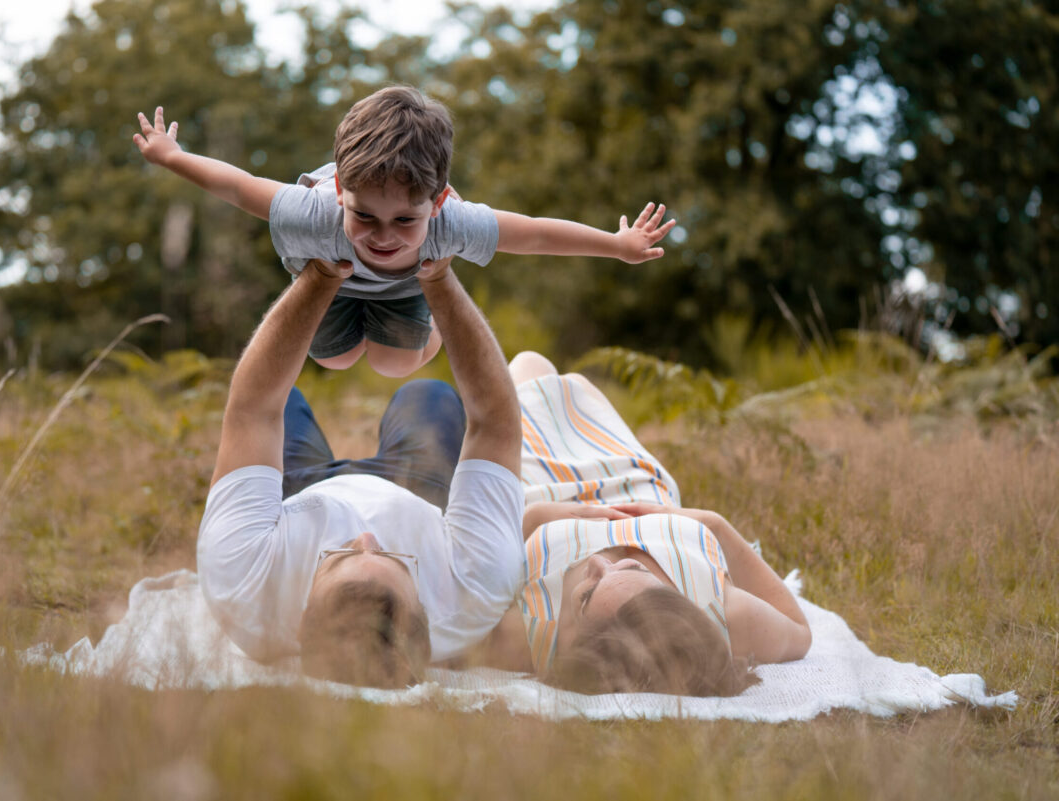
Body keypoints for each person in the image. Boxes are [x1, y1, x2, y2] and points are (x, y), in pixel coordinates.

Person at [132, 86, 676, 377]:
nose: (383, 235)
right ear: (342, 187)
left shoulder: (446, 224)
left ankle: (432, 321)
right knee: (333, 358)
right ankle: (364, 285)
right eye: (364, 215)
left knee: (394, 366)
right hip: (335, 284)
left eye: (404, 220)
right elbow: (241, 187)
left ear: (436, 203)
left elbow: (533, 234)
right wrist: (173, 156)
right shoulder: (315, 213)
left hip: (410, 287)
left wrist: (616, 245)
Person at [195, 255, 525, 689]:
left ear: (298, 623)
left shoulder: (243, 587)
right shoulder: (475, 592)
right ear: (429, 615)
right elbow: (495, 422)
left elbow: (253, 409)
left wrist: (324, 271)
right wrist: (438, 276)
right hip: (419, 494)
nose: (366, 537)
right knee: (427, 394)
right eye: (394, 558)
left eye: (341, 557)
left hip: (296, 499)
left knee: (282, 396)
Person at [463, 352, 812, 696]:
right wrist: (714, 525)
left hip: (539, 482)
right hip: (630, 476)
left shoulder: (534, 637)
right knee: (575, 385)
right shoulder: (725, 615)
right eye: (635, 568)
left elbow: (448, 612)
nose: (601, 561)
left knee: (530, 364)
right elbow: (799, 630)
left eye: (587, 593)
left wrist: (529, 520)